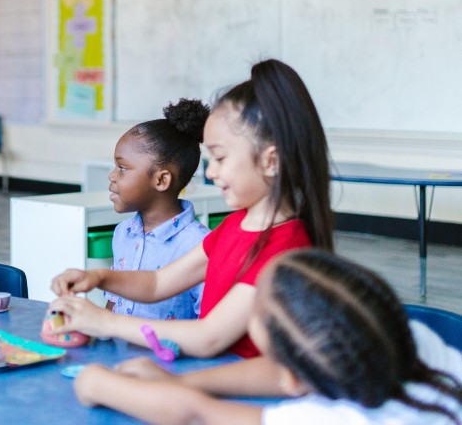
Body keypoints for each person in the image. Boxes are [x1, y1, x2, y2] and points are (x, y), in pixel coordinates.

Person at [49, 59, 334, 358]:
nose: (210, 173)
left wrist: (105, 323)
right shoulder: (235, 226)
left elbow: (207, 338)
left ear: (271, 161)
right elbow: (159, 283)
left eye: (220, 159)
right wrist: (98, 278)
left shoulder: (284, 248)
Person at [72, 249, 462, 425]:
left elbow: (195, 415)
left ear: (292, 380)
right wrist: (182, 379)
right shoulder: (408, 337)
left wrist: (95, 382)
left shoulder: (329, 419)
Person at [103, 98, 211, 320]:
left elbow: (208, 324)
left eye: (122, 168)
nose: (112, 176)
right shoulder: (123, 233)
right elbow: (114, 301)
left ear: (161, 180)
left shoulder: (199, 246)